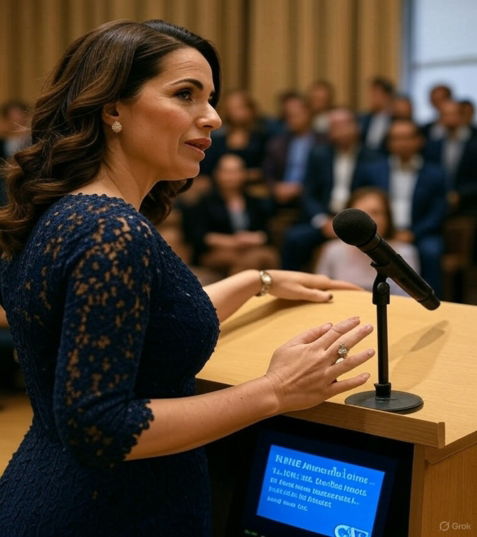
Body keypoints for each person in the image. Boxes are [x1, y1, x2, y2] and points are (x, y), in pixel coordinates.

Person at [0, 20, 374, 537]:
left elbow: (142, 325)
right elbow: (99, 428)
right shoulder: (111, 232)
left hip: (46, 492)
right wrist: (276, 390)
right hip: (112, 513)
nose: (213, 117)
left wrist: (256, 281)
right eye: (185, 94)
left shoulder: (68, 213)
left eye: (210, 99)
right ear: (113, 109)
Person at [281, 108, 380, 271]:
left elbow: (373, 193)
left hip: (357, 219)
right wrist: (322, 221)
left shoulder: (372, 157)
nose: (339, 130)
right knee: (294, 238)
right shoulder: (319, 154)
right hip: (326, 218)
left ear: (356, 127)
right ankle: (291, 283)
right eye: (334, 126)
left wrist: (352, 221)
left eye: (343, 125)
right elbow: (308, 193)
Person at [356, 119, 448, 295]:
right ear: (389, 142)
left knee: (431, 251)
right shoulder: (373, 170)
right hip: (379, 228)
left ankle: (432, 300)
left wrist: (414, 233)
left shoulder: (435, 173)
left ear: (419, 141)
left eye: (407, 138)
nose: (402, 143)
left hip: (419, 231)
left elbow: (438, 211)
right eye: (396, 138)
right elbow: (363, 200)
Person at [316, 187, 419, 295]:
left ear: (387, 218)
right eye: (361, 214)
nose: (368, 220)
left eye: (375, 212)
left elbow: (409, 296)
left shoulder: (405, 252)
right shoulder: (332, 250)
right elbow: (322, 290)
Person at [186, 153, 278, 274]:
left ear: (244, 174)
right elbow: (198, 235)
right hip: (218, 250)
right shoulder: (205, 202)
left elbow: (266, 232)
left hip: (250, 248)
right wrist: (232, 241)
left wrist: (254, 238)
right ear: (217, 174)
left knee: (267, 256)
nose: (231, 177)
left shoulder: (253, 202)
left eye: (235, 172)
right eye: (227, 172)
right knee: (247, 260)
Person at [359, 77, 395, 153]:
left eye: (376, 94)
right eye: (371, 94)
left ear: (387, 96)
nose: (372, 98)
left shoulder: (395, 120)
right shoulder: (362, 119)